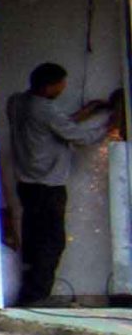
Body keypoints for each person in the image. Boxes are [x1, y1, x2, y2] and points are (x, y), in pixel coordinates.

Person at [7, 61, 121, 306]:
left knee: (33, 240)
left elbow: (52, 126)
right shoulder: (45, 110)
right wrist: (109, 125)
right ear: (49, 86)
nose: (63, 88)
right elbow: (80, 137)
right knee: (52, 243)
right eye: (61, 84)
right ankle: (37, 296)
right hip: (48, 186)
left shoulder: (16, 102)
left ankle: (29, 294)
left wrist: (85, 112)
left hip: (26, 184)